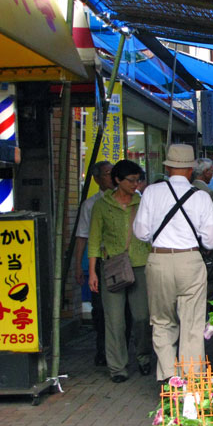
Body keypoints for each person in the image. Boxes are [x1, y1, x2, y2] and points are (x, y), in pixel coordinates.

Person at [134, 144, 213, 382]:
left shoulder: (151, 192)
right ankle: (191, 384)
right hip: (191, 261)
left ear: (168, 166)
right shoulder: (201, 197)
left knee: (162, 321)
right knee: (192, 324)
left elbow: (140, 232)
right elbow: (212, 241)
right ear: (191, 168)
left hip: (159, 260)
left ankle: (169, 376)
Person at [88, 160, 152, 383]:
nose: (136, 184)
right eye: (131, 180)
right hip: (112, 266)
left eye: (138, 180)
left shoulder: (143, 203)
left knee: (142, 317)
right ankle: (117, 368)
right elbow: (94, 240)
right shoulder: (101, 206)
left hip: (141, 265)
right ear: (117, 180)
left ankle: (144, 357)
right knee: (115, 320)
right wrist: (92, 272)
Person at [75, 160, 113, 367]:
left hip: (125, 261)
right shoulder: (90, 205)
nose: (111, 176)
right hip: (99, 261)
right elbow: (82, 236)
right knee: (99, 309)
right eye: (107, 173)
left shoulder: (134, 199)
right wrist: (79, 267)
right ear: (97, 179)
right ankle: (102, 350)